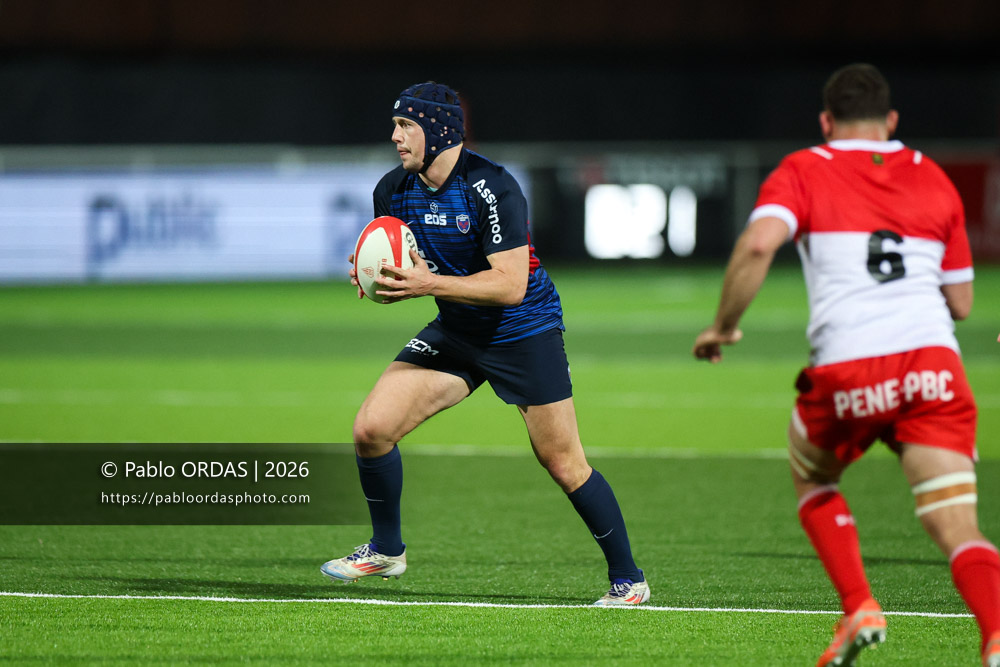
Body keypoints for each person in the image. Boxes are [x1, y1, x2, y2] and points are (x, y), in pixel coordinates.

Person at [693, 63, 1000, 666]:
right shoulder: (934, 177)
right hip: (933, 368)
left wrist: (723, 325)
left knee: (813, 475)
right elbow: (962, 303)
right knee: (957, 525)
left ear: (827, 122)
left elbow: (759, 243)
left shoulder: (804, 168)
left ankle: (859, 604)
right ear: (891, 120)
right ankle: (995, 634)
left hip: (849, 369)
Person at [320, 81, 649, 606]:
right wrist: (379, 277)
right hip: (457, 329)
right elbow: (407, 262)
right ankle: (386, 550)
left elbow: (510, 285)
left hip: (524, 330)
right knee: (372, 429)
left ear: (438, 129)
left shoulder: (491, 187)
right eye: (395, 125)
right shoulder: (393, 190)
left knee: (563, 462)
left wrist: (428, 284)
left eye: (406, 125)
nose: (395, 136)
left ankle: (629, 579)